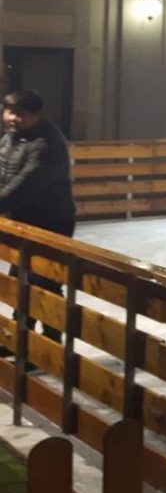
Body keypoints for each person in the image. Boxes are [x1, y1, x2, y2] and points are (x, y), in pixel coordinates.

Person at [0, 89, 76, 341]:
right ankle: (22, 341)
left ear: (36, 115)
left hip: (51, 221)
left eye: (20, 114)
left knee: (46, 282)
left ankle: (52, 344)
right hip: (22, 220)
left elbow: (23, 186)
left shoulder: (47, 144)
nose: (12, 118)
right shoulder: (12, 138)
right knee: (21, 281)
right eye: (9, 111)